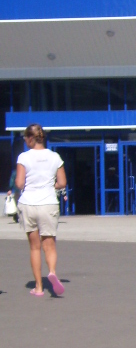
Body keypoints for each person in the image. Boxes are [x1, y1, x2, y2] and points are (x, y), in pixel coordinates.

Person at [15, 123, 67, 296]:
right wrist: (50, 185)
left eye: (25, 138)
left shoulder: (24, 157)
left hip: (29, 203)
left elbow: (19, 183)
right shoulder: (55, 157)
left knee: (34, 247)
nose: (25, 141)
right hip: (48, 203)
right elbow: (62, 183)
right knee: (49, 244)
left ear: (31, 138)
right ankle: (52, 271)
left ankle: (38, 287)